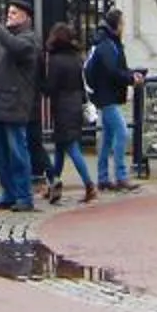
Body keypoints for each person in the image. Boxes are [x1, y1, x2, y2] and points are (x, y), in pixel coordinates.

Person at [0, 1, 41, 212]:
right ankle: (8, 192)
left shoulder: (29, 40)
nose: (10, 16)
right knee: (1, 153)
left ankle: (24, 195)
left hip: (14, 105)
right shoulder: (3, 38)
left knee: (17, 152)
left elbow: (14, 47)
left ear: (26, 17)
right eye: (9, 13)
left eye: (15, 13)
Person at [41, 23, 95, 204]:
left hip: (62, 107)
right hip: (75, 106)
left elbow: (51, 87)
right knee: (60, 149)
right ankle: (53, 184)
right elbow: (81, 84)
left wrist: (41, 85)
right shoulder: (76, 58)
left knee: (71, 148)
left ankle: (89, 185)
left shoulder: (56, 60)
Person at [87, 9, 138, 192]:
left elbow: (118, 68)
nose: (124, 27)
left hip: (106, 95)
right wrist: (131, 79)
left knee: (107, 138)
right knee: (122, 133)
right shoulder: (107, 45)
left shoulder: (108, 42)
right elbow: (113, 72)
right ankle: (121, 176)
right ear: (115, 25)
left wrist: (132, 74)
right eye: (122, 23)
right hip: (107, 96)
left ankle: (102, 177)